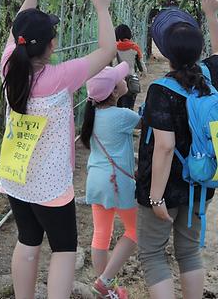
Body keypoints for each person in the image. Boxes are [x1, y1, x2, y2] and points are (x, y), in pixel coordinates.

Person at [0, 0, 116, 299]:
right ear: (52, 45)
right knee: (64, 248)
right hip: (51, 184)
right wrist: (102, 7)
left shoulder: (9, 67)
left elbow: (17, 29)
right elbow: (107, 50)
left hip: (17, 177)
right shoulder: (61, 77)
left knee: (27, 240)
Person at [134, 0, 218, 299]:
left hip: (166, 187)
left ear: (165, 54)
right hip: (200, 181)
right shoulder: (209, 77)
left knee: (152, 254)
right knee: (188, 253)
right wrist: (212, 15)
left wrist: (156, 197)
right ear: (198, 50)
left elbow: (163, 147)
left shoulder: (162, 90)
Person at [80, 61, 140, 299]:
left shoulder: (92, 115)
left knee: (101, 233)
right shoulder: (123, 116)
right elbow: (147, 123)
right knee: (137, 230)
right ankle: (105, 281)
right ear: (115, 91)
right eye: (120, 79)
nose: (125, 80)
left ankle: (107, 292)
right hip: (117, 183)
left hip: (95, 179)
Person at [114, 24, 147, 109]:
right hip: (131, 83)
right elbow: (142, 66)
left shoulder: (113, 48)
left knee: (117, 107)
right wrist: (142, 74)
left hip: (116, 82)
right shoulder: (135, 47)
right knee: (128, 108)